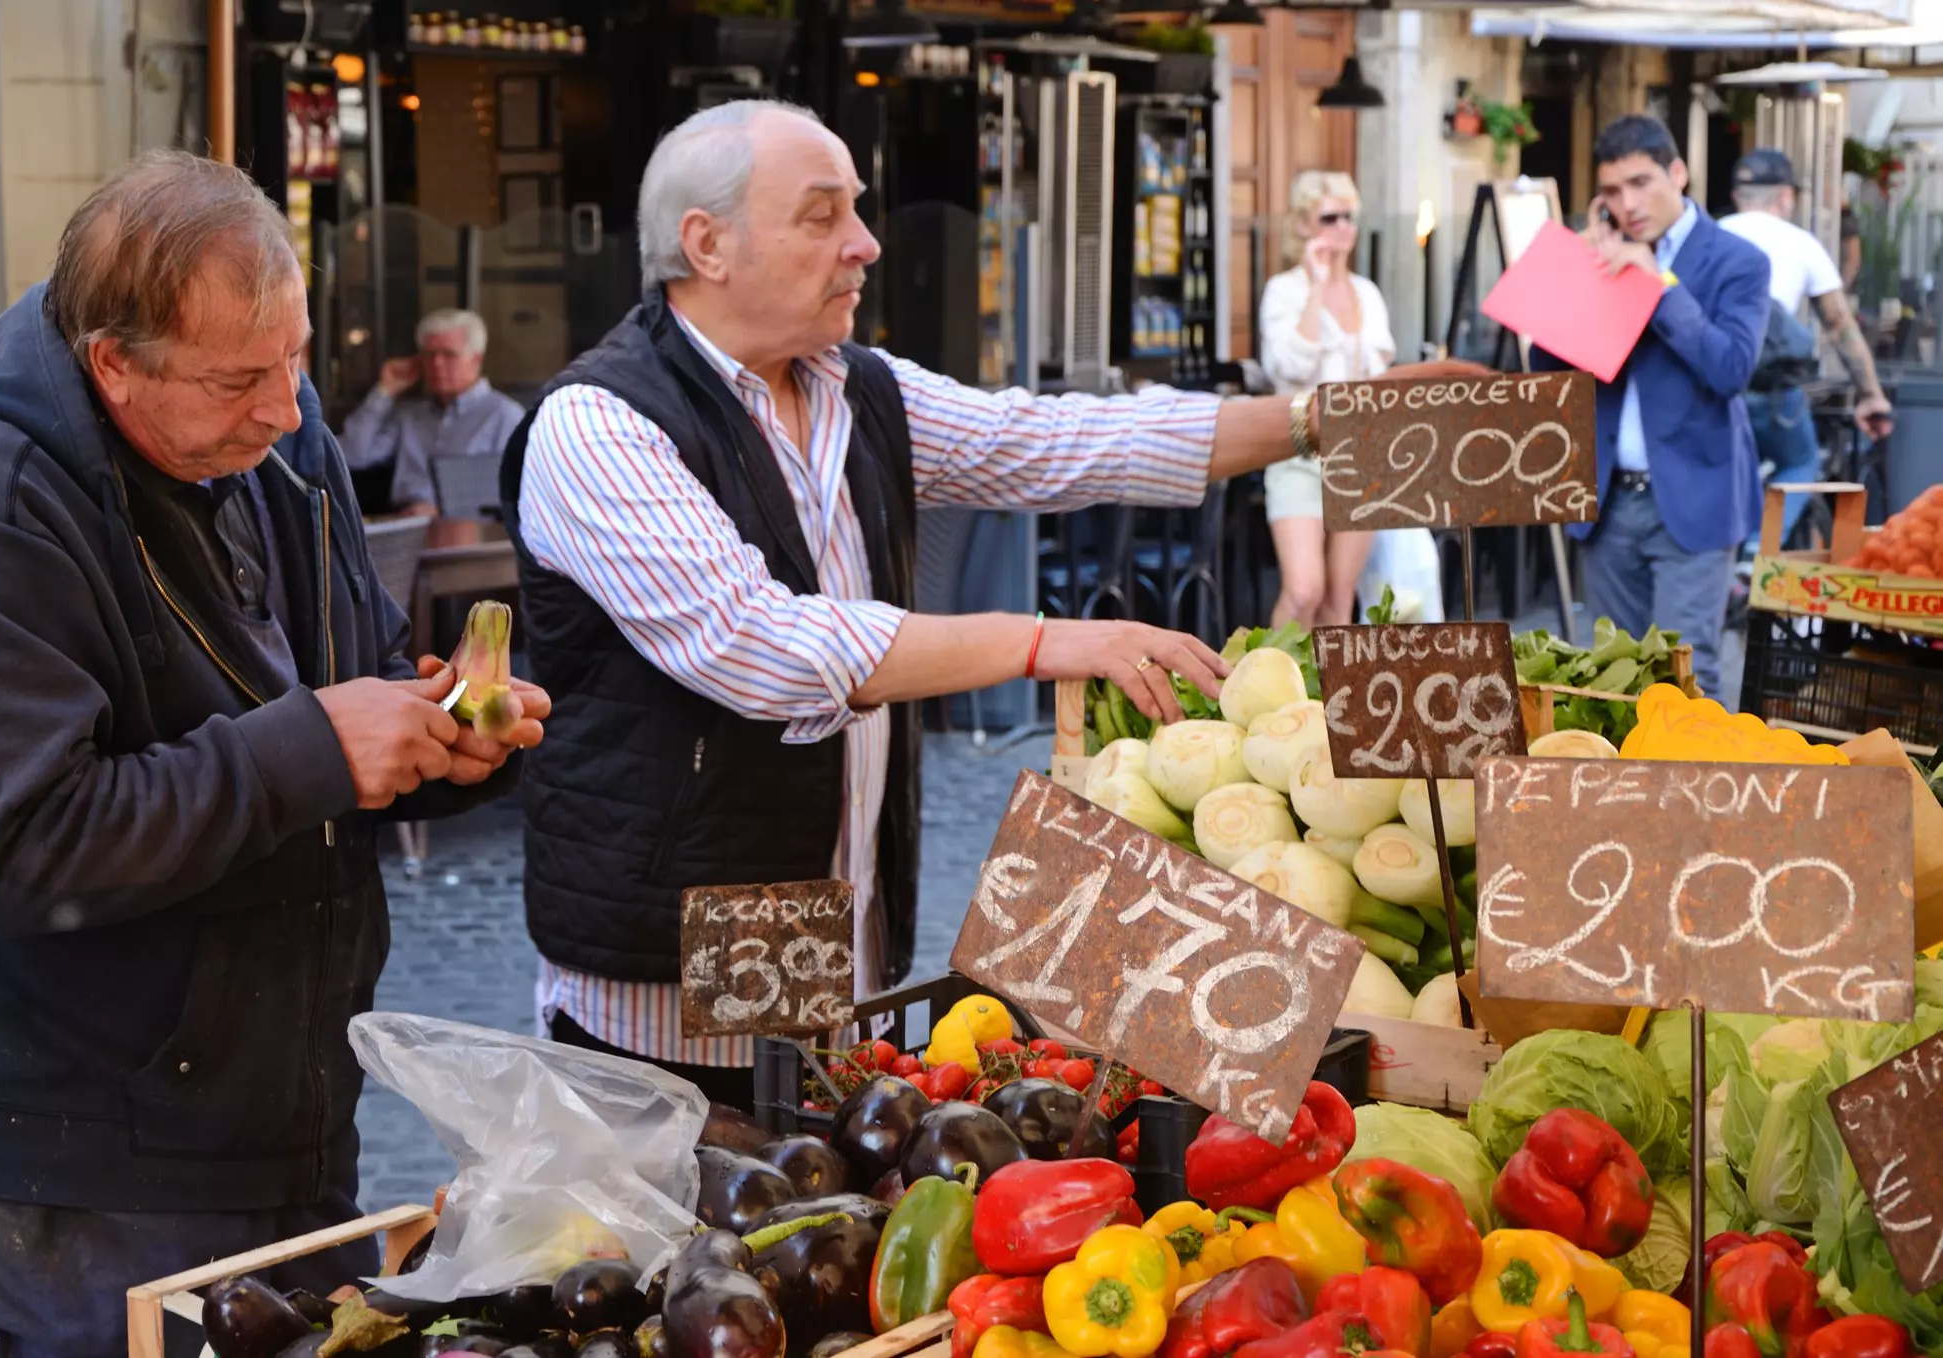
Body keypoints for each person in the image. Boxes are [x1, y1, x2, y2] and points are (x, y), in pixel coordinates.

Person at [504, 99, 1471, 1105]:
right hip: (671, 936)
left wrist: (1324, 420)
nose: (864, 244)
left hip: (816, 913)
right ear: (705, 244)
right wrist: (1046, 639)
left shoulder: (853, 386)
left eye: (857, 212)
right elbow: (764, 645)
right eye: (822, 215)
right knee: (676, 1204)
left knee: (798, 1182)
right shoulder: (600, 424)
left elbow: (1055, 441)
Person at [0, 151, 547, 1354]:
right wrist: (314, 747)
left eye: (296, 355)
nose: (286, 405)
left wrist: (440, 734)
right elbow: (29, 846)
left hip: (285, 1123)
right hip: (61, 1183)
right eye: (238, 376)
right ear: (113, 366)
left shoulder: (278, 445)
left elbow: (343, 693)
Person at [1534, 115, 1770, 698]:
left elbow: (1730, 368)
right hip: (1607, 499)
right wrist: (1581, 275)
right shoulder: (1604, 251)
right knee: (1611, 679)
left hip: (1694, 500)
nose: (1628, 203)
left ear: (1678, 173)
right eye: (1612, 191)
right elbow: (1547, 370)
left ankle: (1692, 793)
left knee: (1686, 677)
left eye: (1641, 183)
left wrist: (1659, 283)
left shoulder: (1737, 261)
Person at [1259, 171, 1440, 625]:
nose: (1343, 226)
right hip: (1298, 453)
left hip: (1361, 457)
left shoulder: (1367, 294)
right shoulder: (1285, 291)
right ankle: (1273, 688)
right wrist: (1318, 285)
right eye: (1330, 216)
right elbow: (1288, 367)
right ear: (1302, 225)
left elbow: (1376, 381)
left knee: (1340, 599)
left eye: (1350, 216)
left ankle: (1329, 696)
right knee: (1304, 590)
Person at [1719, 148, 1893, 546]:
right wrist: (1871, 395)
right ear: (1786, 197)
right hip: (1772, 394)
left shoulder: (1711, 236)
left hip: (1713, 392)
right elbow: (1838, 324)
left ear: (1737, 195)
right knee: (1800, 461)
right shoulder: (1801, 243)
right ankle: (1755, 553)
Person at [341, 306, 524, 517]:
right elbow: (352, 455)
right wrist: (384, 392)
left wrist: (443, 512)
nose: (437, 364)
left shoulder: (503, 416)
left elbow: (516, 495)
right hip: (405, 520)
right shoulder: (411, 415)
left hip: (471, 531)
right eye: (429, 355)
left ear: (477, 359)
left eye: (449, 355)